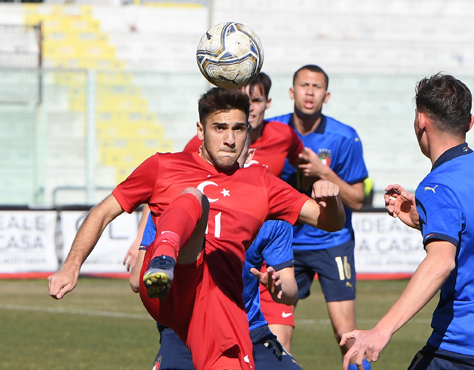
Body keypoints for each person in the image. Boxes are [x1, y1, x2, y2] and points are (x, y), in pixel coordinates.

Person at [48, 87, 345, 370]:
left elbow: (331, 222)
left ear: (248, 134)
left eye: (238, 129)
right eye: (219, 128)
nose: (230, 139)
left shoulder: (263, 184)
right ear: (201, 131)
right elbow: (102, 212)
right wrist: (71, 267)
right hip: (171, 286)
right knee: (194, 198)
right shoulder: (163, 166)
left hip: (219, 306)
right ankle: (164, 259)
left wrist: (330, 198)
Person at [340, 73, 474, 369]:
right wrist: (421, 217)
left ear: (421, 121)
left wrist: (381, 330)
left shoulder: (438, 186)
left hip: (471, 348)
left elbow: (441, 262)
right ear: (470, 122)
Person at [129, 125, 302, 370]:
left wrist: (278, 288)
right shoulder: (174, 207)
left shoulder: (273, 215)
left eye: (237, 146)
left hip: (249, 330)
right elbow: (137, 280)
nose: (227, 158)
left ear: (250, 155)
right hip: (183, 332)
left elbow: (290, 289)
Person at [269, 64, 371, 370]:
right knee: (275, 338)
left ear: (326, 96)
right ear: (291, 92)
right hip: (284, 243)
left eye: (316, 87)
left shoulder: (345, 137)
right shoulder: (273, 133)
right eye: (303, 85)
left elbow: (356, 200)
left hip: (332, 242)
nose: (309, 91)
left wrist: (323, 172)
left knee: (346, 336)